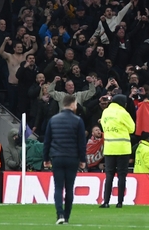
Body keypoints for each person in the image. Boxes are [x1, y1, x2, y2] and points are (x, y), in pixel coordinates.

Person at [43, 95, 87, 225]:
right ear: (73, 104)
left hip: (57, 157)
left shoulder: (53, 120)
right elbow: (81, 143)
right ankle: (66, 217)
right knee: (69, 188)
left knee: (58, 187)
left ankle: (59, 214)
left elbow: (47, 141)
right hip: (72, 158)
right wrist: (82, 159)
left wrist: (46, 158)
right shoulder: (78, 120)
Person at [100, 94, 135, 208]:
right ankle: (120, 202)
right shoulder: (123, 113)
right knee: (122, 175)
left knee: (109, 175)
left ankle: (106, 202)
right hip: (122, 148)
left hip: (109, 148)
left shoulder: (105, 112)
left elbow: (103, 127)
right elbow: (132, 128)